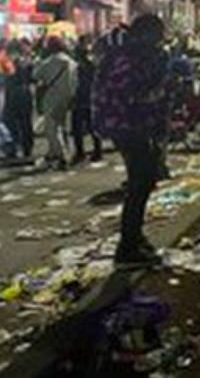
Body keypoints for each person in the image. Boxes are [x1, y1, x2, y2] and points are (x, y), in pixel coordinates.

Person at [93, 14, 171, 268]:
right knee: (140, 183)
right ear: (147, 34)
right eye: (158, 35)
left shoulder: (134, 55)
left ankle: (135, 238)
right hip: (128, 127)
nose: (161, 40)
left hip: (134, 126)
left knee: (144, 182)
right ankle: (128, 247)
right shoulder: (127, 58)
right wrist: (155, 87)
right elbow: (129, 93)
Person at [34, 37, 78, 170]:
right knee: (62, 126)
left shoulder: (50, 61)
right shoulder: (71, 62)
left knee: (52, 128)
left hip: (52, 97)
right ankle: (56, 153)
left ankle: (61, 156)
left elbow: (36, 74)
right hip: (67, 98)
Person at [71, 36, 102, 163]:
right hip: (90, 97)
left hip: (80, 98)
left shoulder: (76, 67)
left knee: (78, 127)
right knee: (92, 126)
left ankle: (80, 152)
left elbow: (74, 82)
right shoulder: (92, 65)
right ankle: (97, 151)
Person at [4, 42, 34, 158]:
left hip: (13, 94)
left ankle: (13, 149)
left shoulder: (9, 63)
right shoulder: (27, 61)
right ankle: (27, 148)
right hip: (25, 93)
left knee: (11, 122)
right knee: (25, 122)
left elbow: (7, 78)